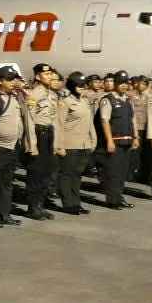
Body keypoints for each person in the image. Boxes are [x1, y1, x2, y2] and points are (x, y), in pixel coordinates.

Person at [0, 66, 36, 227]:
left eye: (15, 79)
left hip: (12, 147)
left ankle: (5, 214)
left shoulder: (16, 96)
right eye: (10, 79)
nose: (13, 82)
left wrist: (24, 90)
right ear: (0, 80)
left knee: (7, 183)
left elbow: (32, 104)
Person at [95, 71, 139, 210]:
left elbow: (133, 119)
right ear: (115, 84)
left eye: (125, 83)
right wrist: (109, 141)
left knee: (122, 172)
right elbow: (105, 121)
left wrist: (136, 137)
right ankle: (112, 200)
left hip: (127, 141)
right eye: (120, 83)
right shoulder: (108, 100)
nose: (123, 86)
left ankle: (119, 197)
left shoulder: (128, 100)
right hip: (115, 141)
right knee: (113, 172)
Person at [55, 72, 95, 215]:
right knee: (67, 174)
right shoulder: (65, 102)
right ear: (72, 86)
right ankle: (68, 204)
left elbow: (89, 123)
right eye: (79, 85)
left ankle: (76, 203)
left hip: (84, 144)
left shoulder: (84, 101)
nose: (82, 88)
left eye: (83, 85)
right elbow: (59, 124)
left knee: (77, 175)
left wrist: (93, 140)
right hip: (69, 144)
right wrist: (59, 146)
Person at [25, 63, 58, 220]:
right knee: (36, 172)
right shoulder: (34, 94)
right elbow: (29, 120)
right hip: (38, 134)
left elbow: (54, 118)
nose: (50, 76)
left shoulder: (52, 94)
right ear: (38, 76)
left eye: (51, 74)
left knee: (46, 172)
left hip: (49, 133)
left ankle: (40, 205)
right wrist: (32, 144)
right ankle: (33, 208)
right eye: (46, 74)